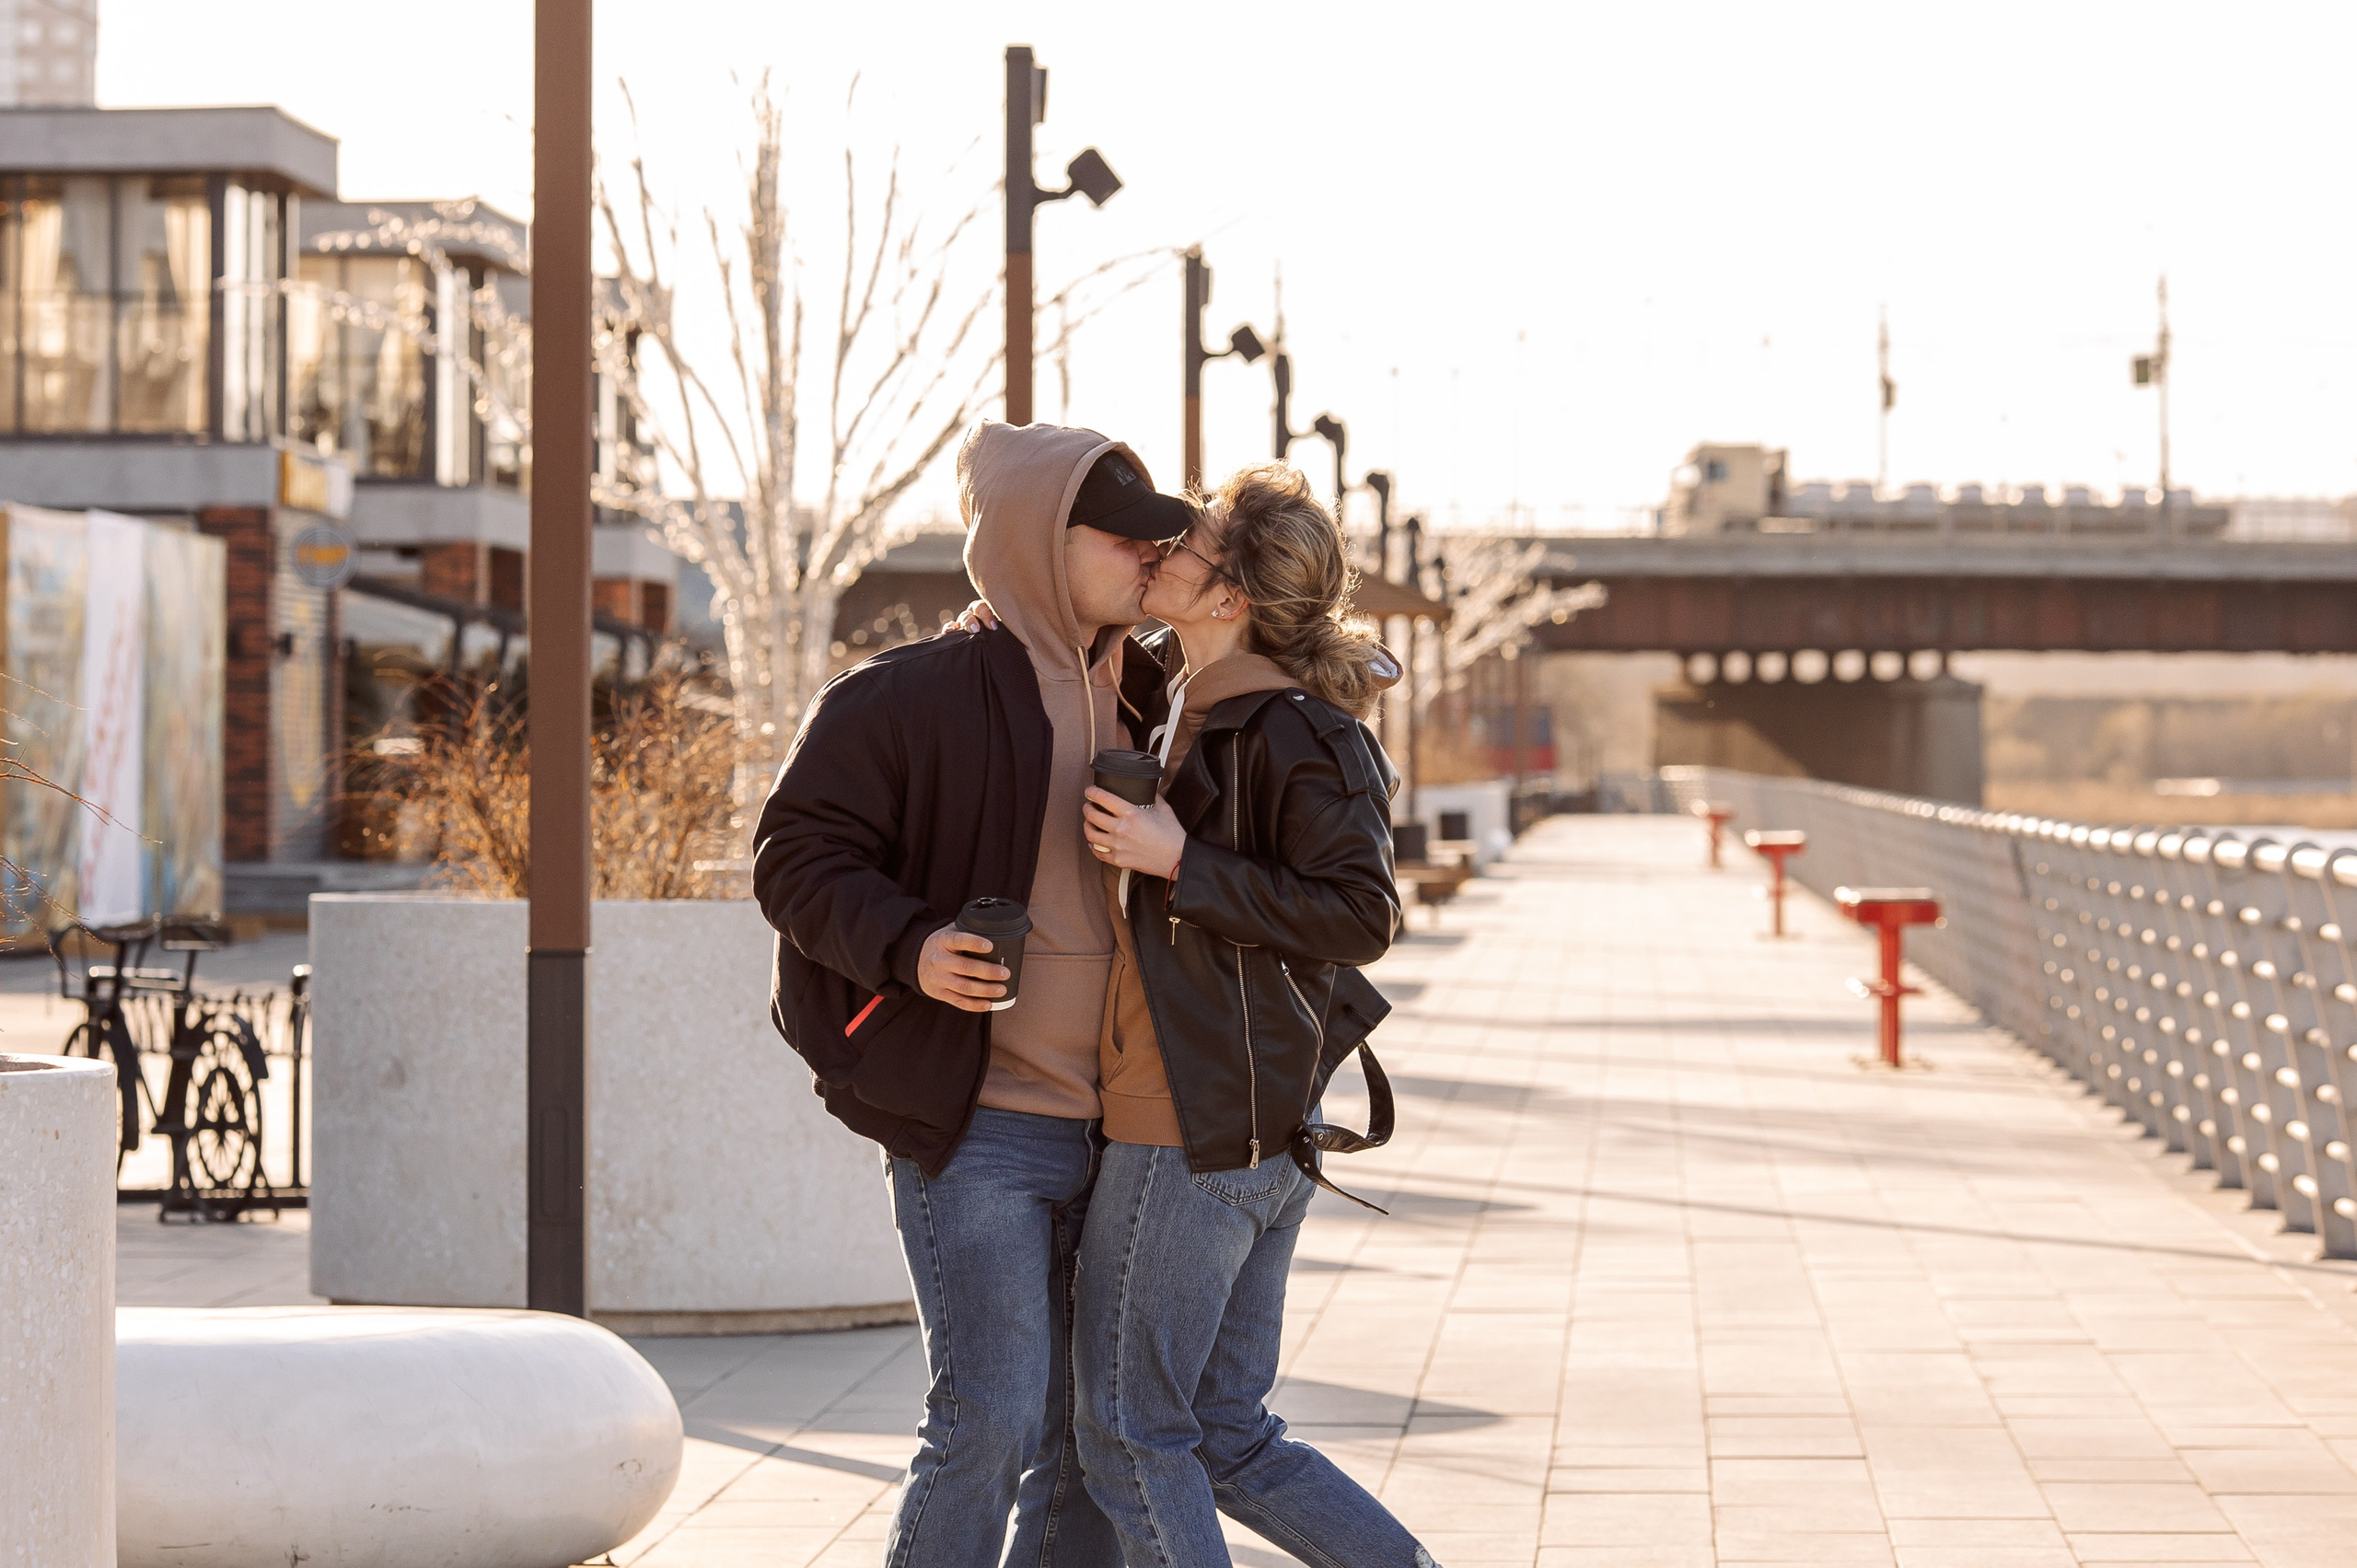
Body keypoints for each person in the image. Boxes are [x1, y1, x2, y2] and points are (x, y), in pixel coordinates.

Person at [752, 420, 1195, 1567]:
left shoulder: (1156, 697)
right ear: (1044, 545)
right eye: (1125, 539)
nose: (1149, 558)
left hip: (1129, 1131)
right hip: (979, 1124)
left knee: (1090, 1441)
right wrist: (913, 945)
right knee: (989, 1420)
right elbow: (794, 856)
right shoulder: (910, 695)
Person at [1072, 462, 1436, 1566]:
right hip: (1240, 1113)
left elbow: (1362, 911)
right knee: (1224, 1433)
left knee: (1133, 1430)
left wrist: (1184, 860)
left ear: (1227, 595)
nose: (1165, 548)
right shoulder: (1186, 691)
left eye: (1193, 542)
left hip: (1194, 1117)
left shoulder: (1295, 731)